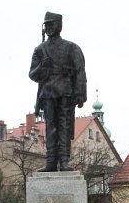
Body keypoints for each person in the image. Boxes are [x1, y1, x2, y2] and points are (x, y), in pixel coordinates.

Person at [29, 11, 87, 172]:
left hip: (66, 92)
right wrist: (43, 67)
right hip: (48, 93)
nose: (48, 28)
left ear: (59, 26)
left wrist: (80, 93)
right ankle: (50, 162)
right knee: (50, 128)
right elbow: (32, 74)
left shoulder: (71, 48)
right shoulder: (40, 50)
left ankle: (64, 160)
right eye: (46, 25)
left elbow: (80, 71)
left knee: (64, 126)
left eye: (51, 24)